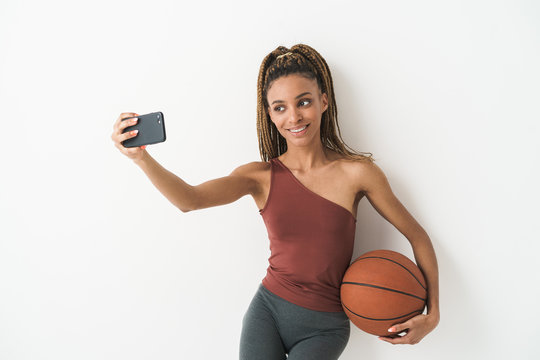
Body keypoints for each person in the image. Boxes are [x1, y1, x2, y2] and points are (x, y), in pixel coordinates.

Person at [111, 43, 439, 359]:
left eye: (304, 102)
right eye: (280, 107)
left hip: (325, 328)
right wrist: (141, 159)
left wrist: (433, 315)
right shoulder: (259, 177)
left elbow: (418, 236)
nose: (293, 117)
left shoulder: (359, 174)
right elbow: (190, 200)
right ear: (269, 113)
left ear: (324, 101)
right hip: (267, 312)